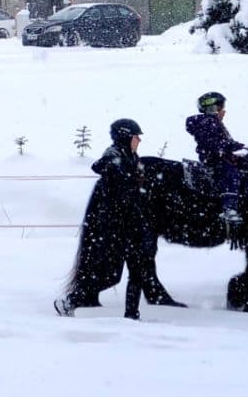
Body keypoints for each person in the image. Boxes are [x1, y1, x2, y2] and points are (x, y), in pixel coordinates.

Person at [55, 117, 180, 320]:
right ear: (125, 137)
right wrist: (123, 175)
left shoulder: (132, 157)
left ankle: (132, 315)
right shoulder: (114, 157)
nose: (139, 140)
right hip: (115, 227)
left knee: (137, 270)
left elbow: (135, 190)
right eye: (135, 136)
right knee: (111, 275)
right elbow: (106, 172)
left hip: (132, 225)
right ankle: (69, 302)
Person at [186, 91, 248, 224]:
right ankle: (229, 209)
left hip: (220, 156)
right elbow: (214, 144)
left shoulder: (213, 122)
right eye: (221, 108)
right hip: (213, 159)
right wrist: (239, 146)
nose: (224, 111)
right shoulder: (209, 122)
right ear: (213, 109)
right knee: (230, 173)